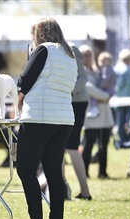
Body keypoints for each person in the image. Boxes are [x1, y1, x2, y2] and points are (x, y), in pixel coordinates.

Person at [17, 17, 77, 219]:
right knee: (53, 173)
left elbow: (24, 81)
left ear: (39, 35)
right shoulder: (70, 54)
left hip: (40, 117)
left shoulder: (43, 50)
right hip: (63, 119)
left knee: (25, 168)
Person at [37, 45, 92, 201]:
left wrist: (66, 90)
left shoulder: (71, 49)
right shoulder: (47, 51)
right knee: (58, 146)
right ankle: (61, 190)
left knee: (72, 146)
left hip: (77, 101)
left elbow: (83, 78)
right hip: (63, 102)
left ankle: (85, 192)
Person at [80, 45, 115, 179]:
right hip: (92, 115)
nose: (88, 58)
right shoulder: (81, 72)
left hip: (104, 114)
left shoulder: (97, 70)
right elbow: (89, 89)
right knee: (88, 145)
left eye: (90, 55)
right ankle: (85, 172)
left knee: (104, 145)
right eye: (85, 55)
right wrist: (106, 96)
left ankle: (103, 171)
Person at [114, 49, 130, 143]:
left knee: (120, 120)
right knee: (128, 120)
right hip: (129, 99)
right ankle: (128, 138)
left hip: (118, 99)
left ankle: (121, 138)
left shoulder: (115, 69)